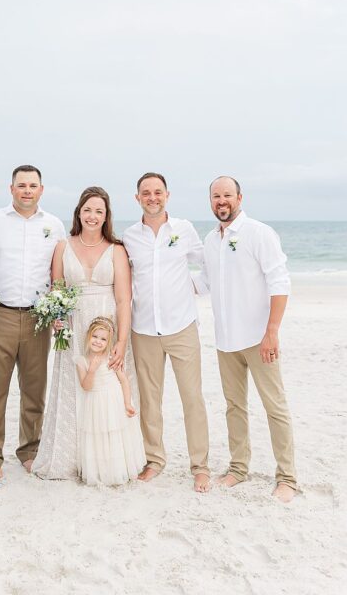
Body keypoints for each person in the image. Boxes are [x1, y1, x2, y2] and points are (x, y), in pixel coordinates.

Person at [31, 186, 137, 480]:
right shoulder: (63, 246)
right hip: (74, 327)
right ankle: (72, 458)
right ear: (79, 213)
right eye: (87, 210)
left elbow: (123, 299)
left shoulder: (116, 250)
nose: (92, 216)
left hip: (108, 326)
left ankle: (105, 461)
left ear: (106, 216)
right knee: (73, 386)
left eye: (99, 211)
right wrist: (56, 319)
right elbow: (57, 289)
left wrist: (121, 340)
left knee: (106, 389)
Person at [203, 177, 297, 502]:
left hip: (259, 340)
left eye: (227, 195)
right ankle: (238, 469)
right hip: (225, 340)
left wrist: (272, 331)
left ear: (239, 197)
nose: (222, 201)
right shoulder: (210, 240)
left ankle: (287, 477)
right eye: (216, 196)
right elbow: (204, 283)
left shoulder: (259, 233)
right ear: (211, 201)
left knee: (275, 407)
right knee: (234, 407)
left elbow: (280, 281)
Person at [122, 172, 212, 491]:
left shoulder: (184, 230)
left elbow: (209, 262)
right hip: (144, 329)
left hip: (181, 326)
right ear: (137, 198)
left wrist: (195, 286)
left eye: (157, 192)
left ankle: (200, 466)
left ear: (167, 195)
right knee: (149, 400)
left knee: (192, 398)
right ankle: (154, 459)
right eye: (146, 193)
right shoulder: (129, 236)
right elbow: (122, 280)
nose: (152, 197)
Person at [0, 165, 66, 476]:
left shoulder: (54, 225)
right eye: (21, 185)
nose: (27, 190)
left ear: (41, 190)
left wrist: (59, 310)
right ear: (11, 189)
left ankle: (30, 449)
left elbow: (58, 272)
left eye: (32, 185)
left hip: (38, 318)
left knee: (34, 388)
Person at [75, 317, 144, 485]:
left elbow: (124, 381)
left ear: (109, 342)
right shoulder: (82, 361)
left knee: (116, 434)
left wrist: (127, 403)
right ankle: (102, 471)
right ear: (88, 337)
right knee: (99, 436)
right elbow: (86, 386)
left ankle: (118, 470)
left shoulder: (111, 359)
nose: (98, 341)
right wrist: (92, 370)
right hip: (95, 403)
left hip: (114, 402)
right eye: (95, 336)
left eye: (103, 339)